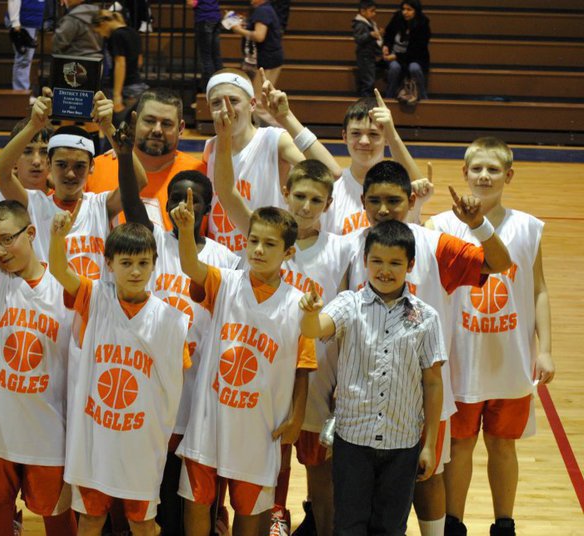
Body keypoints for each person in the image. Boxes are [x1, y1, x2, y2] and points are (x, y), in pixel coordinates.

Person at [345, 160, 512, 536]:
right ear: (362, 201)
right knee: (367, 483)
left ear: (410, 200)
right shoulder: (350, 247)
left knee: (428, 476)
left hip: (422, 391)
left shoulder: (435, 245)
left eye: (394, 200)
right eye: (375, 201)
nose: (384, 209)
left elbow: (500, 263)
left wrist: (477, 224)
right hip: (362, 392)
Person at [210, 95, 350, 536]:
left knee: (318, 465)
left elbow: (343, 178)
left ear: (328, 204)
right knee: (272, 458)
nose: (306, 206)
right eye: (300, 196)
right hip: (261, 369)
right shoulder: (265, 233)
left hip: (318, 372)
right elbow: (226, 192)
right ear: (285, 192)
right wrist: (222, 138)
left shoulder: (343, 248)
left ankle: (320, 526)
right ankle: (276, 518)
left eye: (316, 199)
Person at [426, 138, 555, 536]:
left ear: (508, 176)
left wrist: (545, 349)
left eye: (493, 170)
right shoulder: (441, 226)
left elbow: (538, 289)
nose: (484, 176)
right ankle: (454, 524)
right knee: (460, 447)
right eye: (477, 169)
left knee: (503, 445)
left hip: (510, 359)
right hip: (461, 357)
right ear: (463, 172)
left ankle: (504, 525)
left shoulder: (528, 227)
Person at [117, 120, 240, 534]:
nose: (184, 206)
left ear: (208, 207)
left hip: (201, 386)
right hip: (151, 385)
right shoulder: (150, 243)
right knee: (156, 485)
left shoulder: (226, 258)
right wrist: (121, 154)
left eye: (195, 199)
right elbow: (133, 206)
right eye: (175, 198)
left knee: (198, 495)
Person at [172, 194, 318, 536]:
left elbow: (304, 366)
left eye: (270, 244)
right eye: (253, 241)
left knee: (251, 510)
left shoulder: (299, 304)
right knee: (197, 500)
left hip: (260, 423)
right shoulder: (225, 282)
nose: (258, 250)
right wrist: (185, 230)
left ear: (288, 253)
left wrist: (297, 416)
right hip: (212, 415)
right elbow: (191, 267)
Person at [49, 209, 189, 536]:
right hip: (97, 435)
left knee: (142, 523)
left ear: (155, 263)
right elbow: (58, 269)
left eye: (143, 263)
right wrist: (57, 237)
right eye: (126, 263)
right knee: (91, 520)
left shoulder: (170, 320)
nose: (136, 271)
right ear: (108, 264)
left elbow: (173, 379)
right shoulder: (95, 298)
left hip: (141, 437)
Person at [309, 219, 445, 536]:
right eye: (377, 261)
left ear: (410, 264)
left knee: (391, 528)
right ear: (365, 261)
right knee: (349, 526)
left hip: (403, 445)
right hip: (352, 443)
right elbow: (314, 329)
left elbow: (433, 383)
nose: (385, 270)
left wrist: (430, 445)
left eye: (395, 262)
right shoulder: (348, 304)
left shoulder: (427, 317)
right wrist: (308, 313)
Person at [0, 177, 77, 536]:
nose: (0, 250)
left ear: (31, 233)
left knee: (57, 517)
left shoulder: (66, 287)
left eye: (8, 239)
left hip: (48, 428)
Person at [0, 90, 145, 274]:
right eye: (62, 164)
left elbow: (139, 182)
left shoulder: (101, 205)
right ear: (49, 164)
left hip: (94, 302)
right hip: (49, 302)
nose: (70, 174)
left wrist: (109, 129)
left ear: (92, 167)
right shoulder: (34, 203)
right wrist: (33, 126)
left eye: (79, 166)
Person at [203, 69, 336, 252]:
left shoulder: (274, 140)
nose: (226, 108)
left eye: (233, 100)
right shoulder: (210, 147)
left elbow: (330, 172)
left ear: (251, 104)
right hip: (223, 263)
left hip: (267, 256)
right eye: (216, 102)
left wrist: (286, 118)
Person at [86, 88, 207, 231]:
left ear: (180, 128)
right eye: (149, 121)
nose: (157, 130)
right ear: (135, 121)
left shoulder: (200, 173)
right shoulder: (94, 170)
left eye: (166, 124)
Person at [320, 90, 427, 237]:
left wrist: (392, 133)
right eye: (356, 133)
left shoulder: (399, 187)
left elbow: (420, 186)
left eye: (374, 134)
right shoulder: (331, 191)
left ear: (386, 138)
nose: (364, 141)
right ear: (344, 136)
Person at [228, 0, 283, 125]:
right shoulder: (265, 9)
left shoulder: (262, 10)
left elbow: (259, 36)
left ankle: (283, 132)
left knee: (258, 103)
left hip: (267, 60)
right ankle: (264, 132)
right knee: (259, 100)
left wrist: (238, 30)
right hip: (270, 59)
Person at [91, 9, 146, 117]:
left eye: (98, 31)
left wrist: (117, 95)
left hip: (123, 89)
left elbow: (120, 64)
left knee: (117, 126)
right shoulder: (133, 32)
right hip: (136, 85)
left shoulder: (116, 35)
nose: (101, 35)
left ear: (103, 24)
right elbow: (139, 60)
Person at [383, 0, 430, 101]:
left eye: (409, 9)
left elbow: (417, 50)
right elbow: (388, 35)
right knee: (394, 67)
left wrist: (396, 56)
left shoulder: (423, 24)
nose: (405, 12)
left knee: (414, 68)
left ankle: (423, 97)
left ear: (416, 11)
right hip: (394, 55)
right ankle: (388, 98)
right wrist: (386, 46)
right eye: (403, 9)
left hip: (415, 58)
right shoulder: (397, 18)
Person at [7, 0, 43, 92]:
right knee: (23, 59)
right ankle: (21, 92)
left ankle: (22, 91)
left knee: (26, 59)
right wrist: (15, 22)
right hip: (24, 21)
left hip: (32, 20)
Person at [189, 0, 222, 90]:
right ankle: (221, 84)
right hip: (215, 17)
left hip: (204, 18)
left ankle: (212, 88)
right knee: (216, 55)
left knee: (206, 57)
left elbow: (192, 3)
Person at [352, 0, 382, 97]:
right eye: (372, 11)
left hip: (369, 54)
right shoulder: (361, 24)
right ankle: (365, 101)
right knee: (368, 81)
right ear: (363, 11)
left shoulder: (369, 23)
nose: (374, 13)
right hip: (364, 56)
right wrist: (370, 35)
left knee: (369, 80)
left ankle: (366, 101)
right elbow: (359, 39)